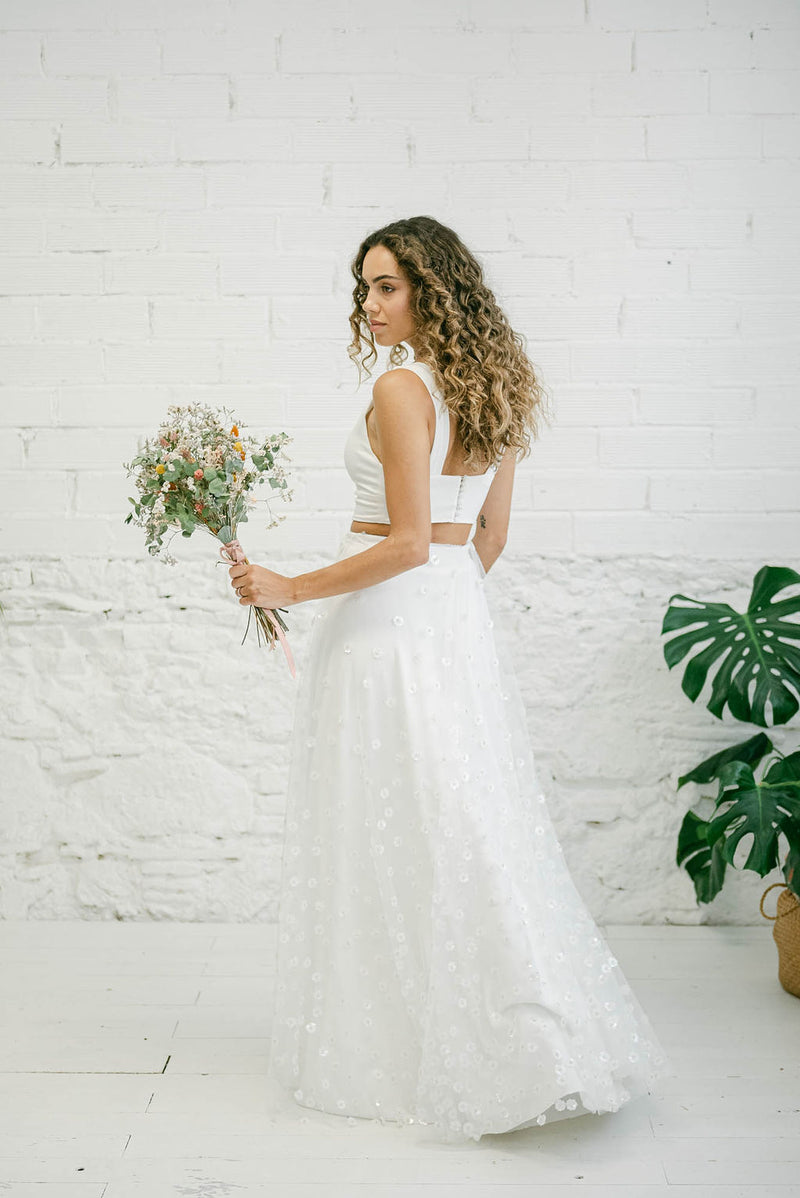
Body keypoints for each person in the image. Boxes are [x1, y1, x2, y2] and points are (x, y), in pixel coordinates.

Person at [227, 216, 671, 1143]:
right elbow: (487, 539)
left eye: (388, 286)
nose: (372, 305)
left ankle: (406, 1041)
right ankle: (529, 1031)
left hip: (387, 629)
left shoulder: (399, 387)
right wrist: (444, 614)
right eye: (365, 289)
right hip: (452, 623)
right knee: (463, 818)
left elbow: (398, 542)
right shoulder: (498, 386)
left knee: (390, 821)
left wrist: (290, 586)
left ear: (433, 289)